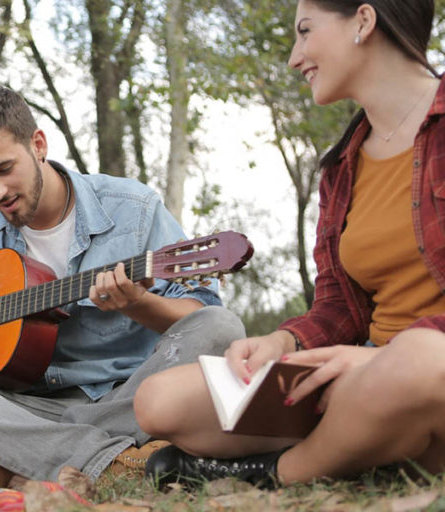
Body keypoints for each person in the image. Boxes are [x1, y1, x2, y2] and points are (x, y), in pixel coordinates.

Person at [0, 84, 244, 493]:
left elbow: (198, 312)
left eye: (4, 169)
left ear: (38, 145)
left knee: (221, 328)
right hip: (31, 408)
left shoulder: (134, 209)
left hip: (131, 396)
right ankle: (112, 458)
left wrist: (138, 304)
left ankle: (34, 459)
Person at [134, 0, 445, 488]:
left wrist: (383, 359)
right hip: (367, 379)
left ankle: (280, 474)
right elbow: (340, 306)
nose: (294, 58)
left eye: (305, 31)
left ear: (363, 21)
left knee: (421, 361)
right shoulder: (342, 168)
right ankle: (374, 446)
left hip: (425, 370)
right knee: (160, 400)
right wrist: (284, 342)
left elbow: (412, 359)